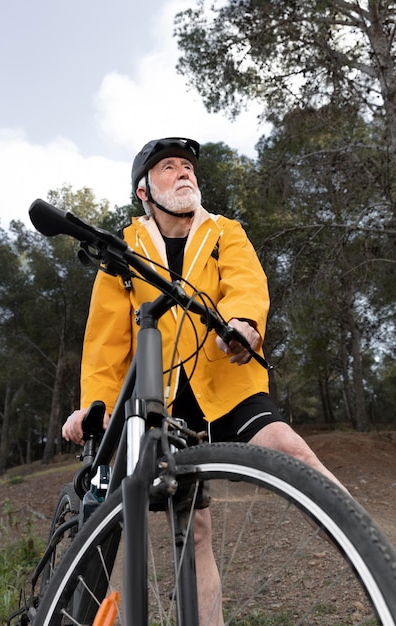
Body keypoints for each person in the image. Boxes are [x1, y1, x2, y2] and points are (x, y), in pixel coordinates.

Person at [63, 137, 347, 626]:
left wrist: (243, 323)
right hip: (161, 402)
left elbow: (245, 282)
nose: (183, 174)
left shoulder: (223, 231)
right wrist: (96, 406)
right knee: (193, 530)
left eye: (188, 167)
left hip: (226, 381)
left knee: (290, 447)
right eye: (169, 168)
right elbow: (106, 343)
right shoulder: (124, 250)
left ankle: (371, 554)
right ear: (143, 192)